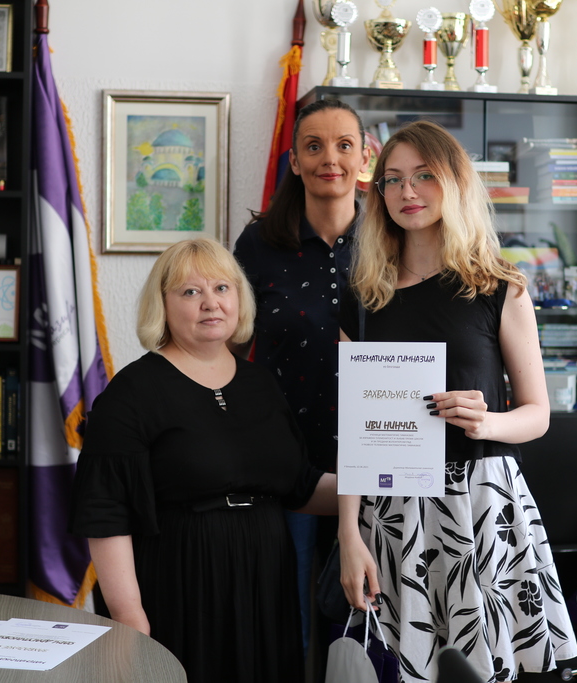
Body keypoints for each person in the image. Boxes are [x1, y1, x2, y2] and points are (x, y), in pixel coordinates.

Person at [337, 121, 577, 681]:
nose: (407, 191)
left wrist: (486, 421)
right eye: (393, 179)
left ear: (455, 182)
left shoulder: (500, 287)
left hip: (480, 503)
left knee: (483, 668)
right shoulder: (363, 300)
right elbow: (354, 430)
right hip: (394, 511)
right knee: (405, 668)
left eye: (424, 175)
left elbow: (538, 415)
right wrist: (348, 532)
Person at [68, 238, 336, 683]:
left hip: (266, 582)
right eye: (191, 291)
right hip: (180, 580)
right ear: (162, 305)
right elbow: (106, 514)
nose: (211, 303)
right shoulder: (131, 393)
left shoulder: (261, 384)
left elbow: (300, 487)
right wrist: (129, 615)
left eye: (222, 288)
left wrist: (381, 482)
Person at [233, 98, 371, 658]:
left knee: (363, 625)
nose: (329, 159)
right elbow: (230, 345)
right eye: (314, 146)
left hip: (375, 456)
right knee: (288, 618)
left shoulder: (394, 238)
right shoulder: (259, 243)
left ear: (365, 158)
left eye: (344, 145)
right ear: (294, 161)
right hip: (283, 458)